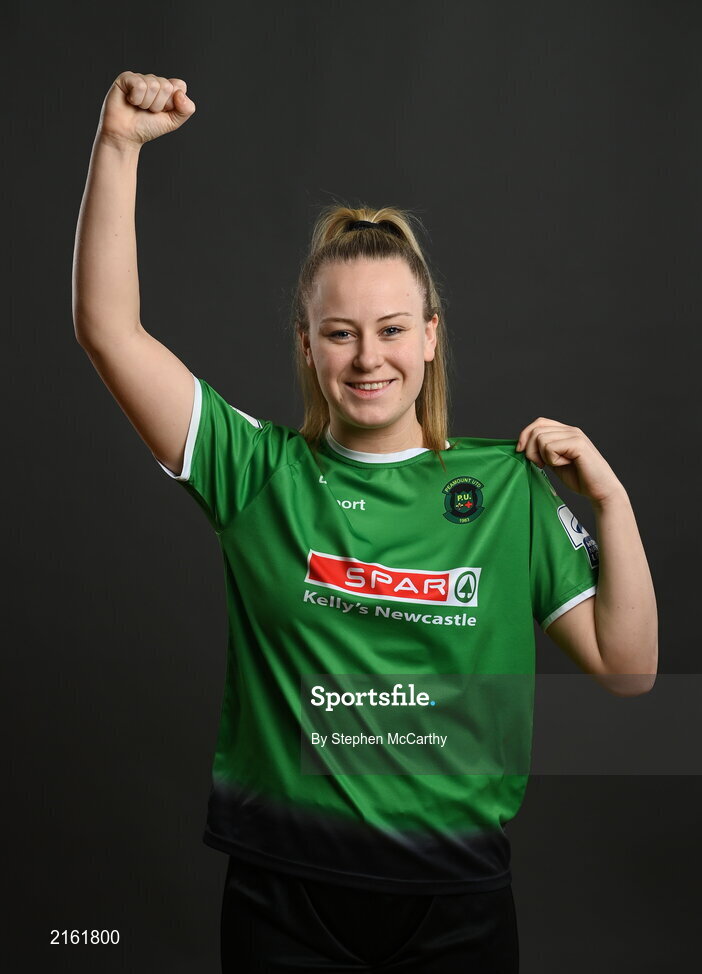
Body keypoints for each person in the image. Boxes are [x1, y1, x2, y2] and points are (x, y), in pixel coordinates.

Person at [72, 71, 658, 973]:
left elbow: (628, 670)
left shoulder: (507, 489)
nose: (368, 356)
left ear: (430, 335)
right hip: (284, 896)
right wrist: (116, 147)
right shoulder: (256, 473)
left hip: (458, 901)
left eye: (391, 329)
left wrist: (610, 502)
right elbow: (110, 328)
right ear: (306, 345)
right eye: (340, 333)